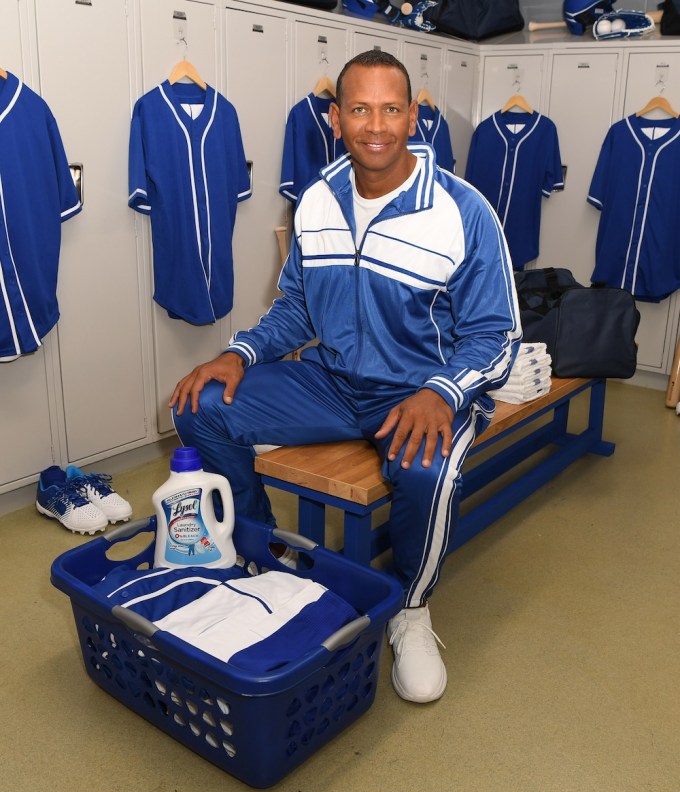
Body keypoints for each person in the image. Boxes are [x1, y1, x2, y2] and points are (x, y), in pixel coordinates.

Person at [170, 50, 521, 704]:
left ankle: (412, 608)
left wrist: (441, 391)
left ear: (414, 116)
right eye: (360, 108)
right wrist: (241, 353)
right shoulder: (319, 199)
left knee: (427, 470)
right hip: (331, 380)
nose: (377, 124)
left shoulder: (461, 209)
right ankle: (260, 556)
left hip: (422, 391)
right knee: (203, 403)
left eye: (392, 108)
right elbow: (299, 304)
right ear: (335, 118)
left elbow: (497, 334)